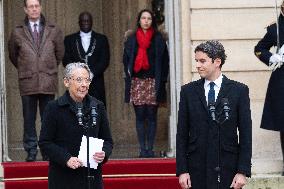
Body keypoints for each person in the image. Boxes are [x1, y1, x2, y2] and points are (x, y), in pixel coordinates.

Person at [176, 40, 252, 189]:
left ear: (217, 61)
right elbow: (182, 134)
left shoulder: (239, 91)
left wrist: (242, 171)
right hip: (196, 169)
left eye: (202, 61)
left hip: (228, 170)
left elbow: (245, 134)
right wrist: (182, 170)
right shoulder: (188, 92)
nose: (198, 65)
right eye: (196, 61)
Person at [39, 63, 113, 189]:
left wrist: (104, 153)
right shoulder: (54, 108)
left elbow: (108, 140)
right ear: (66, 82)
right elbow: (45, 143)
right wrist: (66, 158)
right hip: (64, 178)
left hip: (92, 179)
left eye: (87, 80)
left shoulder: (98, 106)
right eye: (79, 80)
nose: (84, 84)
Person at [8, 0, 64, 162]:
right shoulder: (17, 31)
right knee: (29, 118)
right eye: (30, 6)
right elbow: (13, 55)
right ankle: (31, 150)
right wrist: (27, 67)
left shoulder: (53, 29)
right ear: (25, 9)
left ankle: (47, 150)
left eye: (36, 6)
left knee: (48, 118)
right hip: (28, 80)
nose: (34, 9)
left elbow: (59, 53)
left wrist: (47, 67)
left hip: (47, 80)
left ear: (40, 7)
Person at [122, 9, 169, 158]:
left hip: (153, 82)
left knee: (152, 115)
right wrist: (129, 73)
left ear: (152, 21)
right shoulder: (132, 39)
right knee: (140, 115)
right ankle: (143, 149)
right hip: (137, 82)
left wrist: (162, 81)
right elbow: (125, 60)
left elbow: (165, 62)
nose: (146, 21)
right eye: (143, 18)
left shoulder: (158, 39)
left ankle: (150, 148)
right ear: (139, 20)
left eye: (149, 18)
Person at [254, 0, 284, 175]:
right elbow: (259, 49)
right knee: (283, 123)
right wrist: (273, 58)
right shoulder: (275, 29)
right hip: (282, 80)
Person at [63, 11, 110, 106]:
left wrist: (92, 73)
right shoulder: (69, 40)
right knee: (76, 113)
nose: (85, 23)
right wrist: (78, 74)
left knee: (96, 113)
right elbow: (66, 60)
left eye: (88, 21)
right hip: (76, 84)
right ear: (79, 22)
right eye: (83, 21)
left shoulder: (101, 39)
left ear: (92, 22)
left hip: (96, 83)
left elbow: (104, 60)